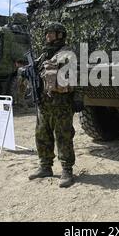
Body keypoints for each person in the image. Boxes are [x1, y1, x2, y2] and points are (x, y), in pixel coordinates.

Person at [28, 22, 76, 188]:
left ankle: (67, 170)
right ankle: (45, 166)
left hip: (61, 104)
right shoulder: (43, 55)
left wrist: (79, 99)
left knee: (63, 136)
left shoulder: (67, 54)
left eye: (51, 33)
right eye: (46, 33)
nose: (47, 36)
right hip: (44, 103)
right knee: (42, 135)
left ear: (60, 35)